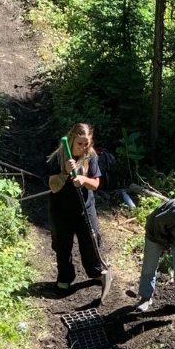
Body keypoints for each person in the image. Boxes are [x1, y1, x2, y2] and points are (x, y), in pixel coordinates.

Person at [46, 123, 112, 298]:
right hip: (61, 210)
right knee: (62, 244)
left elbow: (96, 184)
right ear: (72, 140)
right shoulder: (58, 157)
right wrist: (65, 173)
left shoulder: (91, 157)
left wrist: (82, 179)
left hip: (85, 208)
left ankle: (95, 271)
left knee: (91, 240)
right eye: (80, 144)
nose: (83, 148)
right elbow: (53, 186)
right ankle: (65, 277)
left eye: (86, 144)